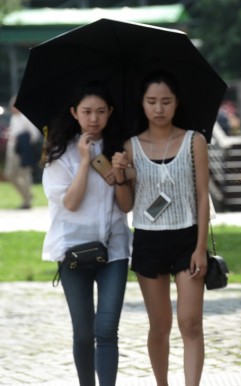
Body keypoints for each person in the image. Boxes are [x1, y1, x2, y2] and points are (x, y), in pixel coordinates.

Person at [111, 70, 210, 386]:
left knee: (190, 323)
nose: (158, 108)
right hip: (148, 240)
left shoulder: (195, 140)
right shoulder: (129, 147)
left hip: (187, 237)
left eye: (165, 101)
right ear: (142, 103)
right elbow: (126, 205)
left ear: (176, 102)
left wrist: (200, 248)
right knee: (160, 325)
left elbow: (202, 198)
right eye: (151, 101)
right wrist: (121, 175)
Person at [41, 81, 132, 386]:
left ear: (110, 113)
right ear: (74, 113)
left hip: (114, 248)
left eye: (101, 111)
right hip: (73, 250)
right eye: (87, 111)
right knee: (83, 332)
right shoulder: (59, 153)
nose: (94, 118)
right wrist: (83, 160)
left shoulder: (119, 149)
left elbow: (126, 205)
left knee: (106, 330)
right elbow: (70, 202)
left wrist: (121, 174)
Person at [4, 95, 42, 209]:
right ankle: (28, 195)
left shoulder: (25, 118)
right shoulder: (14, 118)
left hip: (22, 151)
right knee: (10, 175)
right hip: (12, 150)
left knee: (25, 175)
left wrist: (23, 142)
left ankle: (26, 201)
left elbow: (34, 135)